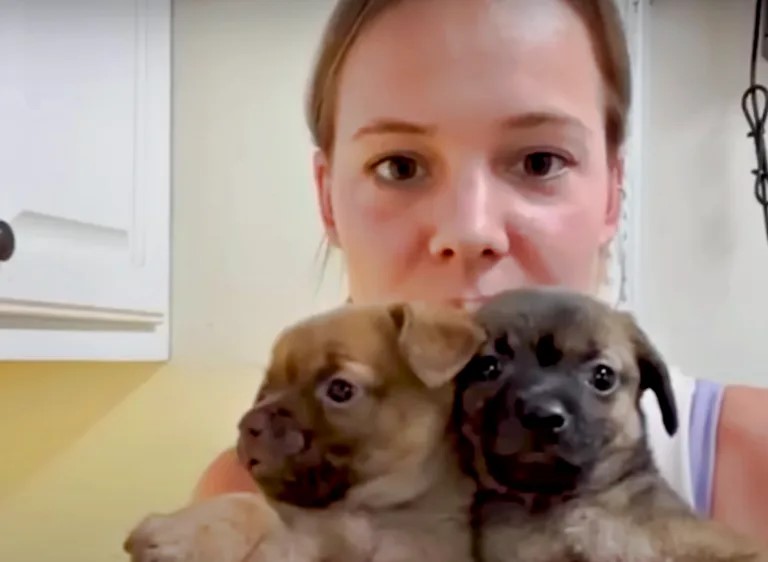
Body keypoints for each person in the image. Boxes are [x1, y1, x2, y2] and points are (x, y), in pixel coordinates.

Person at [194, 0, 768, 540]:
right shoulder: (245, 509)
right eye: (398, 166)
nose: (469, 230)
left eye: (540, 161)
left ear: (613, 193)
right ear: (327, 201)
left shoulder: (749, 460)